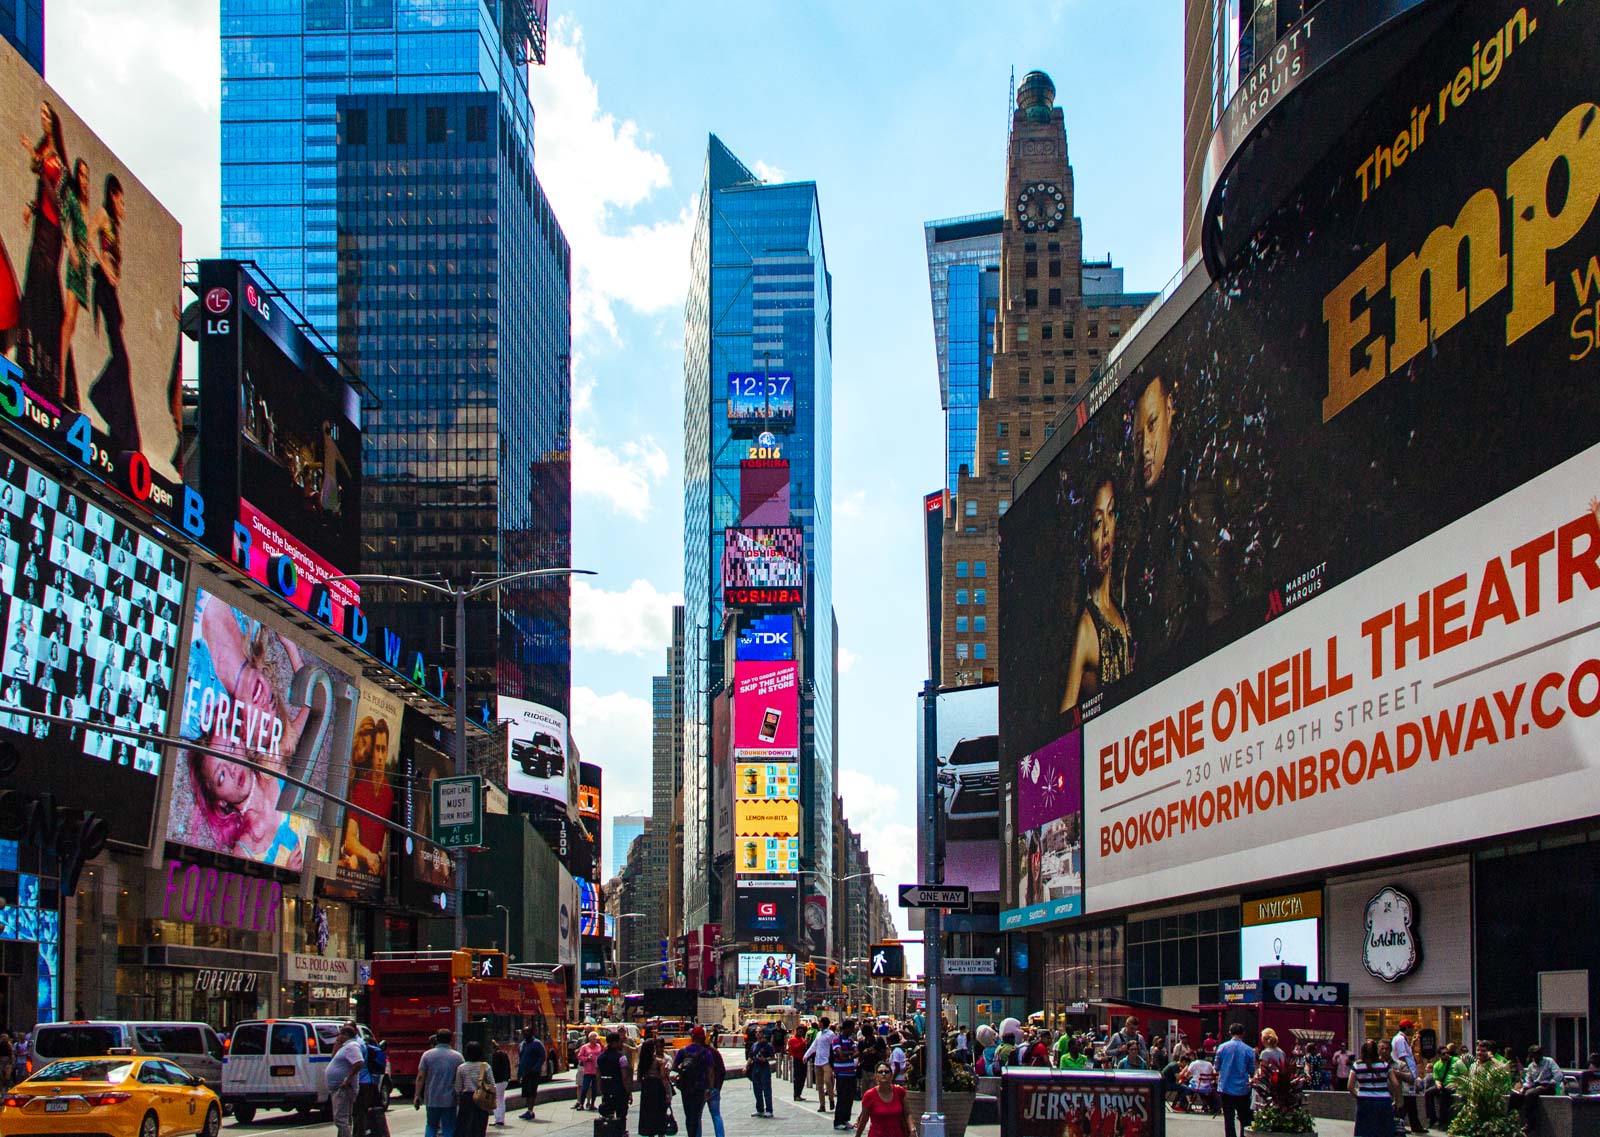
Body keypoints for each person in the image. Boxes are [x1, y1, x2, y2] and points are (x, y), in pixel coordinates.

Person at [1124, 371, 1232, 665]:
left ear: (1171, 408)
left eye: (1152, 424)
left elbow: (1218, 605)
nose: (1145, 447)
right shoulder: (1143, 529)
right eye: (1137, 437)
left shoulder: (1193, 492)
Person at [1060, 471, 1132, 709]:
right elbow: (1063, 722)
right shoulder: (1087, 628)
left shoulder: (1122, 613)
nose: (1106, 531)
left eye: (1111, 514)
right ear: (1086, 537)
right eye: (1097, 523)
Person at [19, 101, 66, 394]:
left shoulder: (56, 155)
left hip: (52, 232)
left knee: (44, 289)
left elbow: (56, 195)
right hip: (42, 227)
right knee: (34, 285)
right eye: (41, 114)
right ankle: (30, 355)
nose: (43, 118)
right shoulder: (43, 147)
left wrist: (35, 157)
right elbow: (42, 191)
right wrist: (30, 206)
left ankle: (46, 364)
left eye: (47, 114)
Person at [341, 716, 395, 875]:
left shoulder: (390, 793)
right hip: (357, 865)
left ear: (386, 753)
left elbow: (390, 841)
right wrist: (369, 856)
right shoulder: (361, 787)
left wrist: (380, 859)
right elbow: (350, 839)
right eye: (376, 749)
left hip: (376, 873)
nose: (379, 756)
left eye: (382, 749)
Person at [413, 1030, 465, 1137]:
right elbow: (462, 1078)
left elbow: (420, 1077)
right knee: (449, 1127)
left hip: (432, 1098)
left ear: (437, 1039)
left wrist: (417, 1095)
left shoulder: (427, 1055)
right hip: (450, 1099)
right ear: (451, 1040)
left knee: (431, 1126)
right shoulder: (457, 1057)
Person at [673, 1024, 720, 1137]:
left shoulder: (683, 1051)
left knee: (688, 1115)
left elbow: (674, 1066)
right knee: (696, 1115)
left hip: (686, 1087)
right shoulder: (706, 1052)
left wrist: (683, 1072)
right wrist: (710, 1088)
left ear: (692, 1036)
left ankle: (690, 1134)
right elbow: (710, 1072)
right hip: (700, 1087)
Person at [1350, 1039, 1400, 1137]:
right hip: (1384, 1101)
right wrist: (1396, 1101)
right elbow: (1396, 1084)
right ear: (1376, 1051)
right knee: (1384, 1131)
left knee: (1365, 1131)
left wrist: (1359, 1096)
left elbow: (1350, 1086)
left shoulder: (1357, 1065)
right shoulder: (1385, 1065)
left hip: (1365, 1102)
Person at [1216, 1023, 1257, 1137]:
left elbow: (1217, 1066)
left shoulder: (1222, 1047)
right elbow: (1251, 1069)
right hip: (1242, 1088)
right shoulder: (1249, 1050)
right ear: (1243, 1033)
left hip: (1226, 1087)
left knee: (1228, 1118)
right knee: (1244, 1118)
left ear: (1230, 1032)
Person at [1510, 1045, 1563, 1132]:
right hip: (1535, 1086)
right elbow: (1529, 1080)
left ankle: (1530, 1122)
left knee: (1530, 1094)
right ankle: (1512, 1119)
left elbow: (1558, 1075)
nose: (1537, 1057)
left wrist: (1552, 1082)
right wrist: (1524, 1088)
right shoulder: (1531, 1066)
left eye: (1539, 1055)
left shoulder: (1549, 1061)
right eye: (1535, 1055)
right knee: (1515, 1095)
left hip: (1547, 1086)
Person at [326, 1023, 365, 1137]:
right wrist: (338, 1043)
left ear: (346, 1035)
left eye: (340, 1034)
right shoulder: (346, 1046)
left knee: (341, 1120)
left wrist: (347, 1079)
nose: (338, 1037)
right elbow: (333, 1056)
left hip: (343, 1088)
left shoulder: (352, 1046)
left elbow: (359, 1062)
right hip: (339, 1088)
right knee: (343, 1119)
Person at [854, 1062, 912, 1137]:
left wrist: (912, 1129)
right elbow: (863, 1120)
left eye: (887, 1072)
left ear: (891, 1075)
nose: (883, 1074)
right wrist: (857, 1135)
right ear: (876, 1076)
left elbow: (908, 1114)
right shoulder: (869, 1095)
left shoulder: (900, 1091)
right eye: (880, 1072)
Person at [1391, 1021, 1425, 1134]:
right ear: (1406, 1028)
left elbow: (1407, 1053)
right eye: (1411, 1028)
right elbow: (1402, 1057)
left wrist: (1413, 1044)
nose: (1412, 1030)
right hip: (1405, 1075)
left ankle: (1415, 1125)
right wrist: (1407, 1073)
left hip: (1408, 1074)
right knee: (1406, 1100)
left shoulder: (1402, 1039)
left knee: (1410, 1101)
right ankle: (1397, 1123)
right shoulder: (1400, 1040)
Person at [601, 1032, 639, 1132]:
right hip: (620, 1091)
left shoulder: (600, 1058)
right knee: (621, 1116)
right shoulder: (622, 1058)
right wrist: (629, 1092)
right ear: (614, 1043)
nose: (621, 1044)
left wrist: (601, 1090)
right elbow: (625, 1077)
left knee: (608, 1116)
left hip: (606, 1091)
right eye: (619, 1042)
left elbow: (598, 1076)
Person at [453, 1040, 492, 1137]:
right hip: (482, 1098)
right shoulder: (486, 1066)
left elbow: (458, 1088)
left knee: (465, 1125)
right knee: (480, 1125)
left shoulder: (461, 1067)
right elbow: (492, 1084)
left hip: (467, 1099)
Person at [1427, 1043, 1467, 1129]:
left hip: (1454, 1085)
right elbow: (1436, 1078)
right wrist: (1438, 1084)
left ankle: (1443, 1120)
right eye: (1443, 1054)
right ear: (1439, 1055)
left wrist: (1457, 1083)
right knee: (1428, 1093)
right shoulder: (1437, 1065)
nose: (1446, 1055)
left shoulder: (1457, 1061)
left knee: (1444, 1095)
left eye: (1447, 1053)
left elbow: (1465, 1075)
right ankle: (1432, 1118)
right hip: (1443, 1085)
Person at [806, 1016, 839, 1113]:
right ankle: (822, 1104)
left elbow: (834, 1046)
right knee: (819, 1085)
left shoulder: (830, 1034)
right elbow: (814, 1046)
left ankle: (831, 1099)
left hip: (826, 1061)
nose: (818, 1023)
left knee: (828, 1081)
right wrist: (806, 1055)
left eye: (820, 1022)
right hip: (818, 1061)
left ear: (823, 1023)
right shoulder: (819, 1034)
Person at [832, 1020, 861, 1131]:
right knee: (842, 1097)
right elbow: (839, 1054)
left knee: (849, 1098)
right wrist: (850, 1054)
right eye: (852, 1028)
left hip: (851, 1073)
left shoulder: (850, 1040)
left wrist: (846, 1054)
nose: (853, 1030)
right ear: (846, 1028)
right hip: (841, 1074)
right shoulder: (836, 1040)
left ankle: (845, 1119)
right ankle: (838, 1121)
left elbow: (857, 1052)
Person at [1254, 1028, 1286, 1109]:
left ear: (1263, 1039)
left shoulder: (1265, 1053)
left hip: (1266, 1083)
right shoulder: (1281, 1052)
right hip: (1278, 1083)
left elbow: (1263, 1070)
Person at [516, 1030, 544, 1121]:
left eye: (527, 1033)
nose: (525, 1035)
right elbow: (520, 1059)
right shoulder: (522, 1044)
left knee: (532, 1091)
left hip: (533, 1073)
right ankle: (528, 1111)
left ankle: (530, 1111)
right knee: (526, 1092)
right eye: (524, 1033)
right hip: (525, 1072)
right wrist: (519, 1073)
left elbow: (542, 1057)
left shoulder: (537, 1043)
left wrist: (535, 1068)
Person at [749, 1026, 776, 1118]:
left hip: (764, 1068)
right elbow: (750, 1056)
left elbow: (773, 1056)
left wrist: (765, 1059)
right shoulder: (754, 1045)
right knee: (757, 1089)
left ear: (763, 1033)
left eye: (759, 1032)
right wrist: (746, 1066)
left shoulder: (767, 1045)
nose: (758, 1034)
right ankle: (760, 1109)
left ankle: (769, 1110)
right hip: (755, 1068)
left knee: (766, 1089)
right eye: (756, 1032)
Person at [573, 1030, 602, 1111]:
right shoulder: (585, 1047)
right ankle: (581, 1104)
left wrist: (601, 1043)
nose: (594, 1039)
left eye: (595, 1038)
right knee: (585, 1087)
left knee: (594, 1088)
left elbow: (603, 1052)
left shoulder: (599, 1046)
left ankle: (592, 1104)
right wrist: (586, 1059)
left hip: (596, 1070)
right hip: (588, 1070)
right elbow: (579, 1056)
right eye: (592, 1038)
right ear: (589, 1038)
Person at [488, 1040, 510, 1126]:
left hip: (497, 1080)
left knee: (496, 1100)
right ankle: (501, 1119)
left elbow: (495, 1069)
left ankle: (498, 1119)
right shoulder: (503, 1054)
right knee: (501, 1099)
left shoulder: (494, 1055)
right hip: (504, 1080)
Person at [788, 1026, 809, 1100]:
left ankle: (799, 1094)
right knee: (797, 1078)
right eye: (799, 1031)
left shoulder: (802, 1039)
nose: (800, 1033)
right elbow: (793, 1049)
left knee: (803, 1077)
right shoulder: (792, 1040)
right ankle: (796, 1094)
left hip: (803, 1060)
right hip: (797, 1060)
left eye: (802, 1031)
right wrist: (803, 1043)